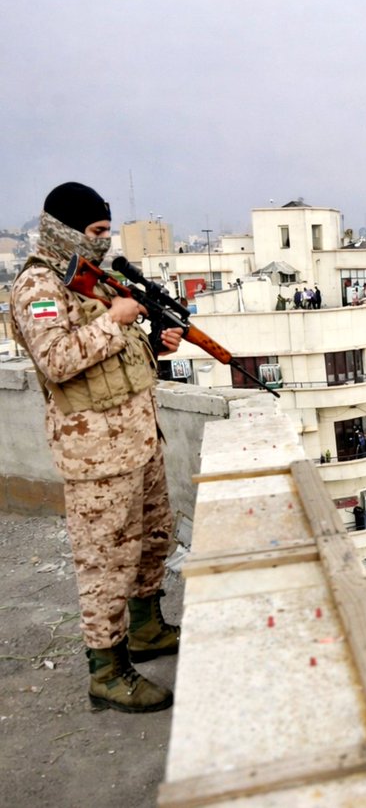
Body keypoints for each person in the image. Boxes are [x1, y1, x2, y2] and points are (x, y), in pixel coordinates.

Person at [11, 182, 184, 714]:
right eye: (96, 232)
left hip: (138, 440)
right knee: (106, 562)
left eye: (107, 232)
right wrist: (115, 320)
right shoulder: (40, 286)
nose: (104, 242)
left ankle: (147, 628)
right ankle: (107, 671)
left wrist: (153, 344)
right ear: (66, 231)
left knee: (154, 537)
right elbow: (59, 359)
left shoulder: (92, 280)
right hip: (96, 457)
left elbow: (117, 358)